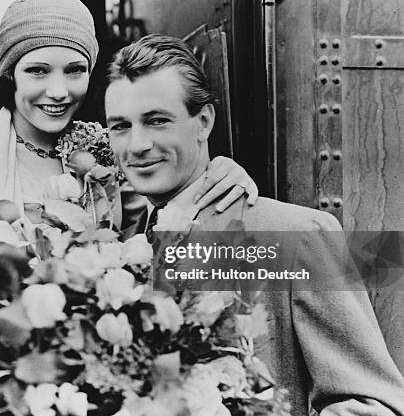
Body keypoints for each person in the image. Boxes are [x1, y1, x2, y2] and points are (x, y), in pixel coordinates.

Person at [104, 34, 404, 415]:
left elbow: (373, 404)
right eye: (120, 127)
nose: (137, 145)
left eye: (157, 121)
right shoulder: (118, 252)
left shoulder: (299, 235)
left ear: (204, 121)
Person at [0, 0, 258, 246]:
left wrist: (215, 174)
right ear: (9, 76)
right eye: (38, 71)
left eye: (75, 70)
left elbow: (158, 225)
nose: (59, 91)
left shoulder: (111, 148)